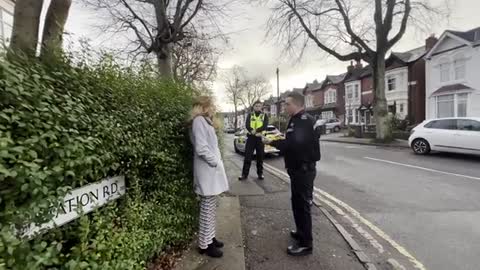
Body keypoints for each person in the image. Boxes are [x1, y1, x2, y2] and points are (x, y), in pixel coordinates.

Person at [264, 92, 321, 256]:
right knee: (296, 202)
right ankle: (300, 232)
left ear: (297, 104)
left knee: (302, 206)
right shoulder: (300, 119)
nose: (284, 107)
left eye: (287, 104)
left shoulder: (302, 121)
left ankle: (306, 244)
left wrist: (271, 141)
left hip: (303, 170)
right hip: (299, 169)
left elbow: (292, 145)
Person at [189, 96, 229, 258]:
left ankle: (210, 238)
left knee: (210, 208)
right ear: (203, 106)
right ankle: (204, 245)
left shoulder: (205, 121)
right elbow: (201, 148)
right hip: (207, 171)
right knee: (207, 209)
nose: (213, 108)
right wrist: (216, 163)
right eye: (211, 105)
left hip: (210, 171)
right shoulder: (199, 121)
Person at [239, 100, 269, 181]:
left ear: (261, 107)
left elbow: (265, 125)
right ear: (253, 107)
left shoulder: (264, 115)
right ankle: (244, 175)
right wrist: (251, 130)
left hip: (260, 138)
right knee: (247, 157)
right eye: (256, 106)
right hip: (251, 138)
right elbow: (247, 124)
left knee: (260, 157)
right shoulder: (250, 115)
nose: (258, 107)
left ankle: (260, 174)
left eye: (259, 106)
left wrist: (257, 130)